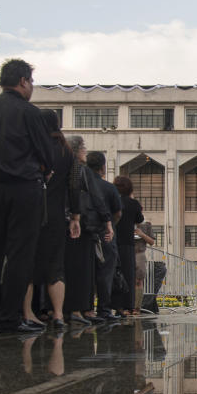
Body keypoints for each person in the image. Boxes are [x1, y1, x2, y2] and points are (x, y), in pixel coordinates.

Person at [0, 59, 54, 334]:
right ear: (23, 81)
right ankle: (8, 318)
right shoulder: (31, 113)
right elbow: (46, 155)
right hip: (25, 187)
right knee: (19, 254)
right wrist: (44, 169)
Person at [24, 109, 81, 330]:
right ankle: (58, 314)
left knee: (27, 263)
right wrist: (75, 216)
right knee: (56, 266)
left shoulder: (34, 148)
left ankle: (28, 313)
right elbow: (74, 186)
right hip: (57, 214)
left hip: (32, 212)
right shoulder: (67, 153)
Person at [63, 136, 108, 325]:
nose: (85, 153)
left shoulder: (60, 168)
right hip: (80, 225)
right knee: (81, 269)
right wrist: (106, 221)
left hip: (61, 222)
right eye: (83, 149)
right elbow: (96, 198)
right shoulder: (81, 171)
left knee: (63, 268)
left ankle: (59, 310)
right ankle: (77, 309)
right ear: (78, 150)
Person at [87, 151, 121, 320]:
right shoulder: (108, 188)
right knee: (105, 272)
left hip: (85, 234)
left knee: (86, 273)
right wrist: (110, 226)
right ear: (103, 167)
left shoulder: (82, 185)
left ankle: (86, 308)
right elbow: (117, 212)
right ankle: (104, 309)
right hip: (105, 235)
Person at [113, 175, 150, 316]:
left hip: (113, 241)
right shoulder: (133, 203)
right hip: (128, 243)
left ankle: (115, 305)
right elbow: (140, 219)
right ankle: (128, 306)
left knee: (114, 273)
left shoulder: (114, 200)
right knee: (129, 275)